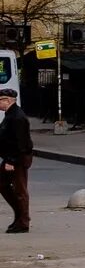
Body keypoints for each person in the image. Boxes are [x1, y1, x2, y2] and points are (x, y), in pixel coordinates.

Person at [0, 88, 33, 234]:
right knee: (2, 184)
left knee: (20, 190)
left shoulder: (17, 117)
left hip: (17, 159)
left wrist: (11, 161)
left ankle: (23, 222)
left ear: (7, 100)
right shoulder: (10, 115)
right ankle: (19, 216)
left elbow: (20, 143)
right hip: (11, 157)